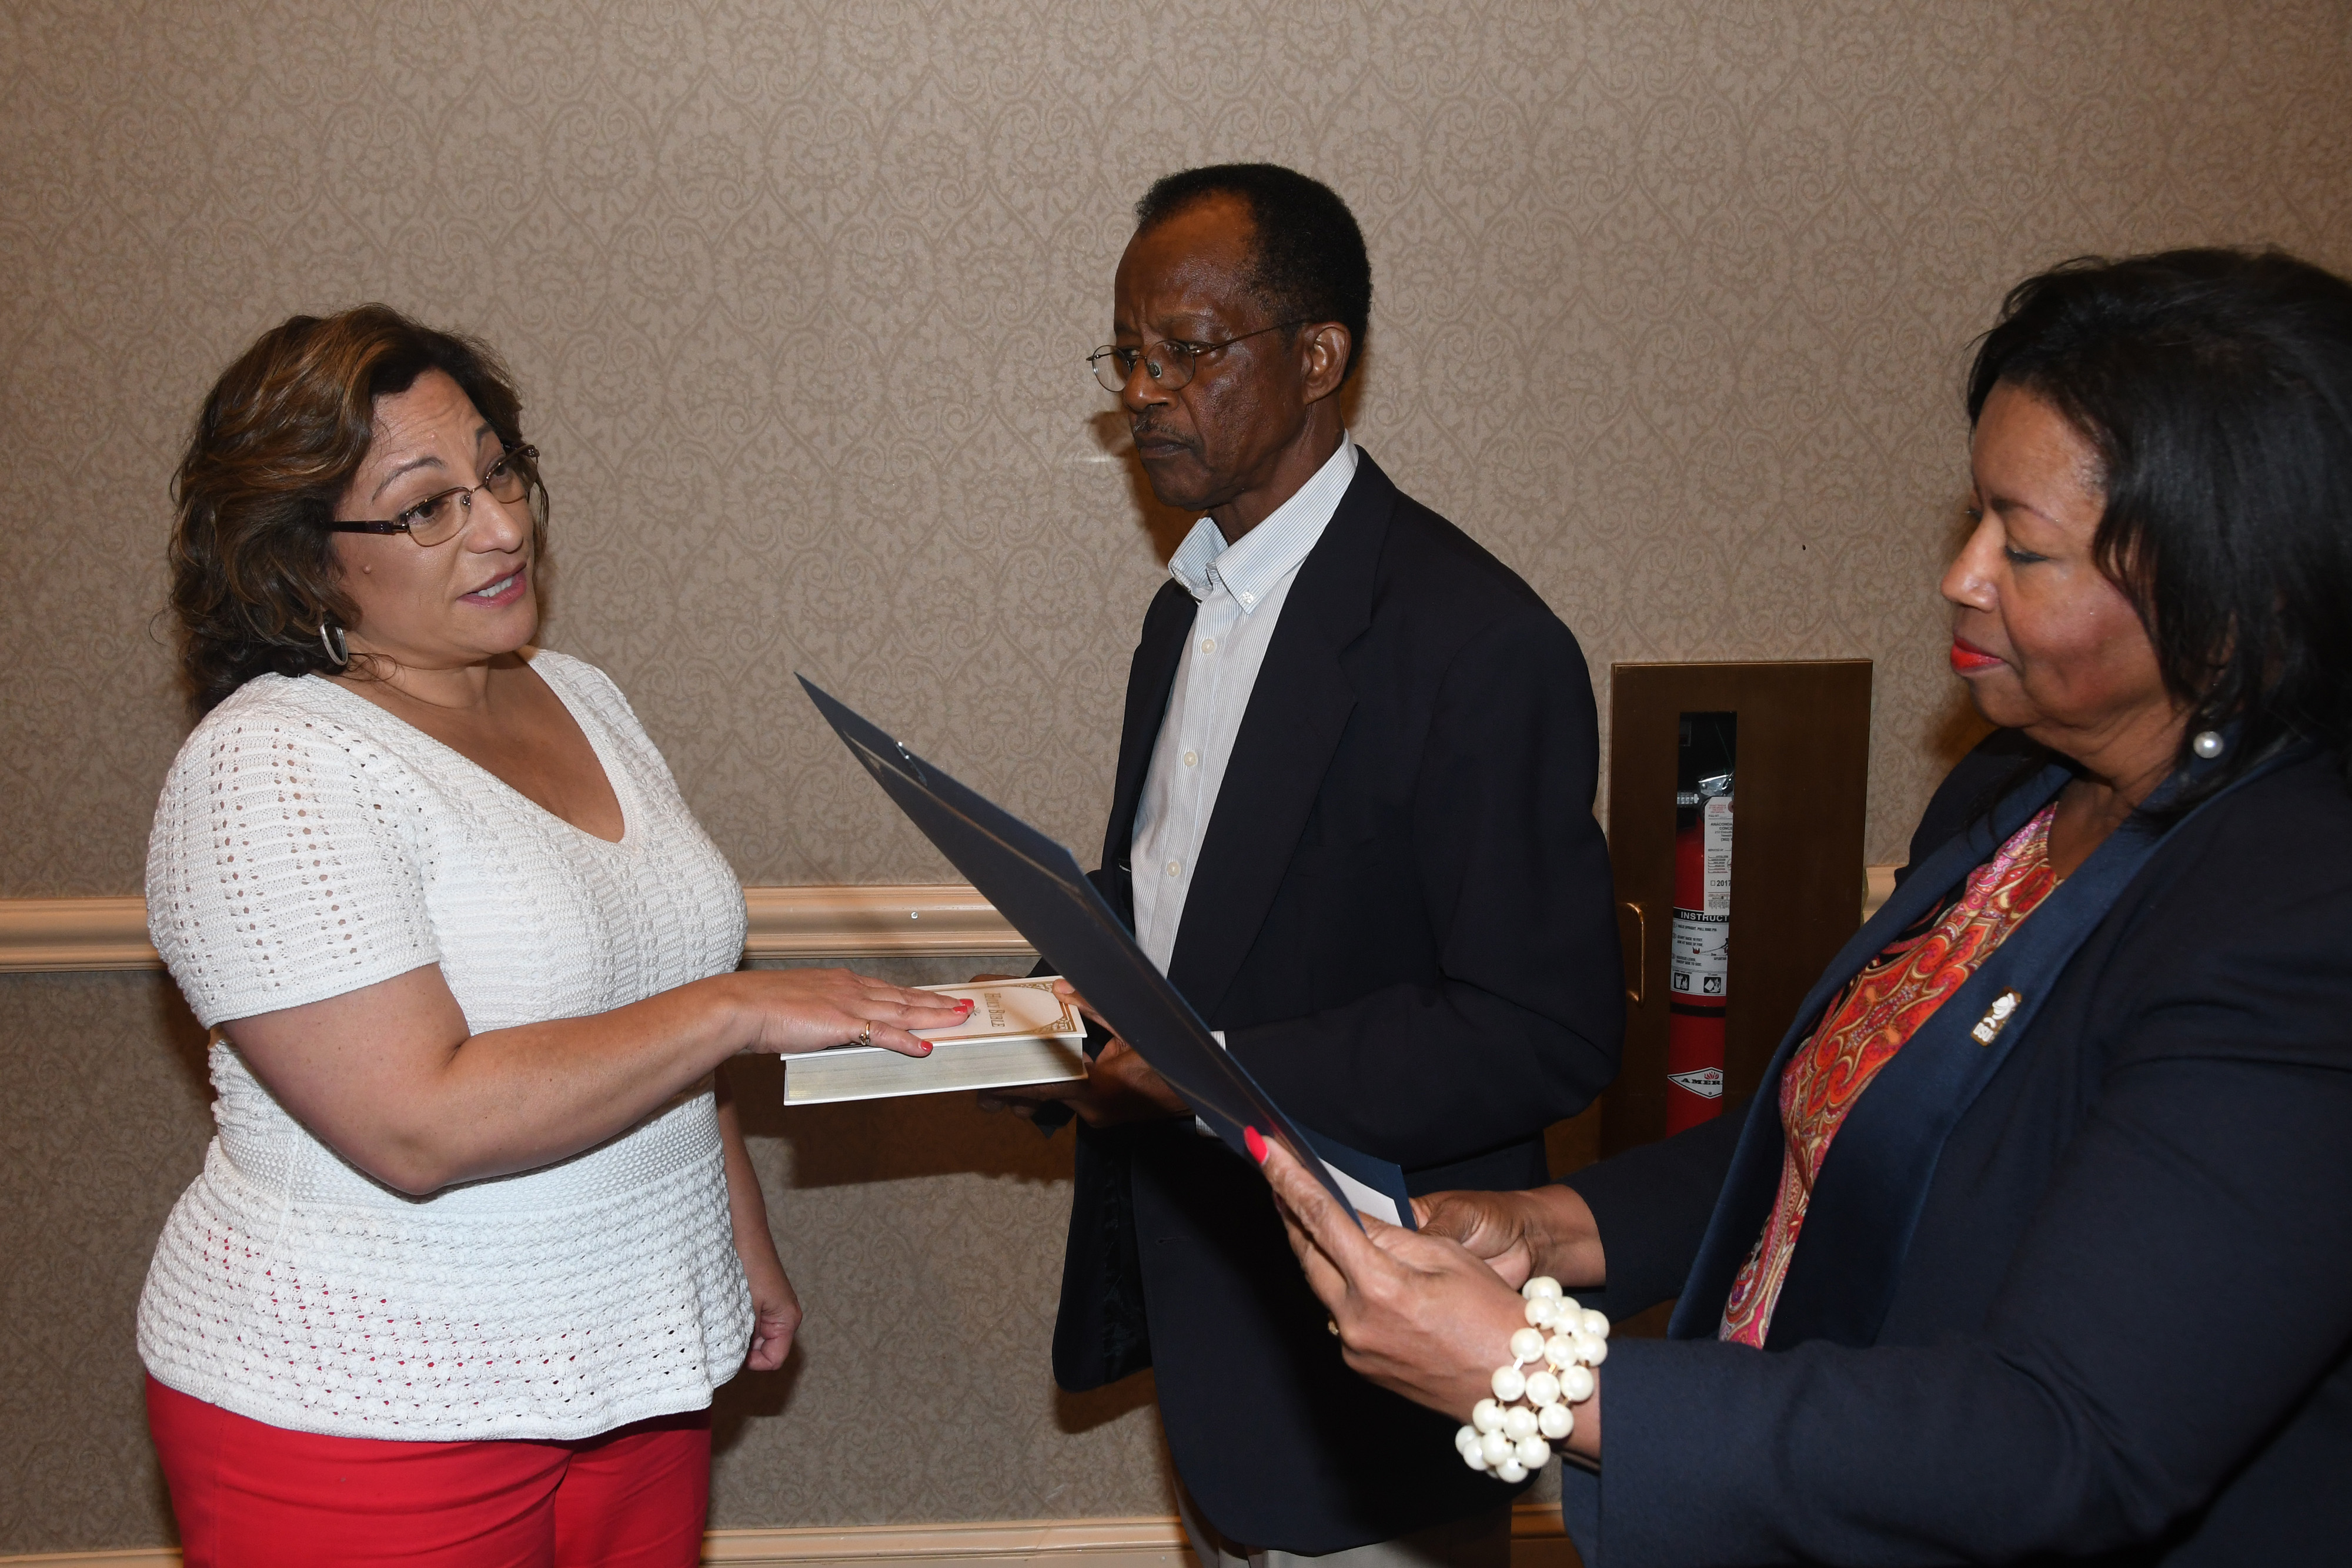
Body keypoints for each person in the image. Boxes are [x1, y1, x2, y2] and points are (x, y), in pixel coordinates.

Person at [1250, 246, 2352, 1566]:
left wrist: (1541, 1375)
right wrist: (1546, 1231)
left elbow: (2063, 1440)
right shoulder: (2007, 789)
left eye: (2027, 545)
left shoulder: (2302, 922)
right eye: (1972, 516)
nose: (1958, 574)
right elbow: (1829, 1133)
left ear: (2240, 615)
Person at [139, 305, 968, 1567]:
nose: (502, 524)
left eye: (499, 468)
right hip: (364, 1411)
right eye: (428, 507)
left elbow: (660, 987)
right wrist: (736, 1011)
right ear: (302, 558)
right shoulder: (268, 765)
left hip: (627, 1368)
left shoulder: (579, 692)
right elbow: (417, 1123)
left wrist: (732, 1231)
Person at [980, 164, 1625, 1565]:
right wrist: (1019, 1006)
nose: (1144, 390)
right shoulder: (1187, 613)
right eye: (1127, 355)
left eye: (1186, 351)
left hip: (1377, 1361)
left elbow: (1542, 1027)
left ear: (1318, 356)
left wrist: (1211, 1064)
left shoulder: (1474, 642)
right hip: (1212, 1320)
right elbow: (1164, 913)